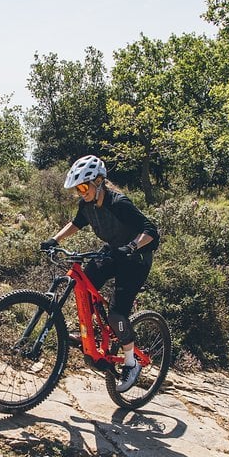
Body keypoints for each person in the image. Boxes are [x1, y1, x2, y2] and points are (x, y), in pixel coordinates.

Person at [40, 155, 159, 392]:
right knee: (83, 284)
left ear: (99, 181)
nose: (80, 192)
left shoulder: (119, 203)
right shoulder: (87, 205)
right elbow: (75, 223)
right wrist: (55, 239)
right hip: (113, 252)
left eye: (83, 187)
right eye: (77, 189)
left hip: (136, 259)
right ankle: (94, 332)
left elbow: (151, 231)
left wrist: (132, 247)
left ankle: (131, 363)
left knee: (117, 314)